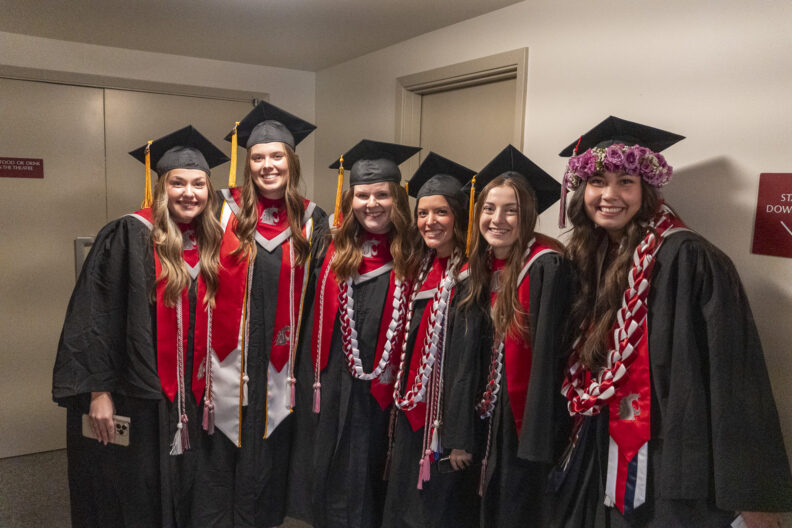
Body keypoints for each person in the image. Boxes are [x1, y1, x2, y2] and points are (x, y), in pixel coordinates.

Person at [555, 116, 792, 527]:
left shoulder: (688, 258)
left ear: (646, 190)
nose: (610, 195)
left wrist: (754, 497)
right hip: (601, 450)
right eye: (597, 182)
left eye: (626, 182)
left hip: (675, 461)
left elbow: (735, 380)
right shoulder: (586, 257)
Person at [52, 125, 228, 528]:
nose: (189, 193)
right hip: (139, 390)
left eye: (199, 183)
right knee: (138, 490)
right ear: (161, 187)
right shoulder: (128, 233)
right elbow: (95, 318)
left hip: (195, 392)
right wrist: (99, 392)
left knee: (191, 485)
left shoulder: (212, 241)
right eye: (178, 182)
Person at [192, 101, 327, 527]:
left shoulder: (311, 220)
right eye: (258, 157)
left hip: (278, 364)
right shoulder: (219, 208)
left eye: (277, 156)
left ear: (291, 161)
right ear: (246, 163)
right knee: (216, 453)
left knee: (267, 454)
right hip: (223, 360)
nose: (268, 165)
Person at [289, 139, 420, 528]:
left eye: (382, 194)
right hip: (330, 382)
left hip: (384, 388)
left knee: (373, 470)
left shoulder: (414, 254)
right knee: (327, 468)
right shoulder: (329, 248)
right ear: (350, 200)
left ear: (398, 198)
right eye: (362, 194)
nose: (372, 203)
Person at [458, 145, 572, 527]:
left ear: (529, 215)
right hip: (488, 408)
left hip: (524, 415)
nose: (498, 219)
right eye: (489, 208)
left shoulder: (545, 266)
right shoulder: (483, 264)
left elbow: (546, 360)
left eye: (512, 210)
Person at [381, 151, 486, 528]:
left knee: (436, 513)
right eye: (422, 213)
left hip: (442, 426)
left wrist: (459, 437)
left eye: (441, 212)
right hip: (414, 416)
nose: (429, 222)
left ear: (460, 216)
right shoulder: (423, 266)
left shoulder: (472, 275)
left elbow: (467, 360)